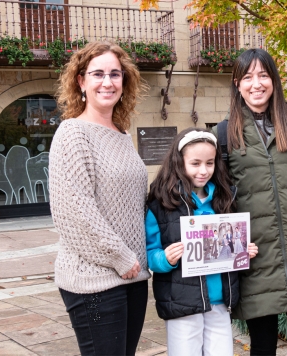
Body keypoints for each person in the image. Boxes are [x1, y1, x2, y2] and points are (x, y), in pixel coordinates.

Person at [212, 48, 287, 356]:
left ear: (274, 80)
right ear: (237, 84)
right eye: (248, 76)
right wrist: (234, 245)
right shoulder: (225, 134)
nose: (257, 83)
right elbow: (216, 194)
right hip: (255, 255)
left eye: (264, 75)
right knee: (263, 348)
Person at [49, 41, 150, 355]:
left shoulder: (121, 134)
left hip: (133, 277)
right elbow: (75, 212)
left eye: (115, 74)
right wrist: (121, 258)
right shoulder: (72, 133)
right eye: (98, 74)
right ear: (81, 81)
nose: (108, 82)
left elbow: (135, 204)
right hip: (94, 280)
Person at [145, 127, 258, 356]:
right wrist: (165, 259)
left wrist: (242, 249)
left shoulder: (224, 198)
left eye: (210, 163)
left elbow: (229, 244)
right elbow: (150, 252)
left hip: (219, 301)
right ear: (179, 162)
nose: (203, 171)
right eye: (195, 163)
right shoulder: (161, 203)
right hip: (183, 304)